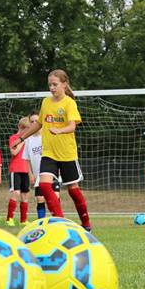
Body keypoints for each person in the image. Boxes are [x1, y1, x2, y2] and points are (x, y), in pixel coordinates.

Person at [16, 69, 92, 231]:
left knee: (73, 190)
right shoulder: (46, 102)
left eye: (55, 84)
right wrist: (22, 138)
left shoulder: (69, 103)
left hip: (66, 154)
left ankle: (86, 223)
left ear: (64, 85)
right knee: (44, 185)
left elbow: (72, 125)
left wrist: (60, 130)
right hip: (49, 153)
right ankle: (60, 220)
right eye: (49, 84)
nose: (52, 87)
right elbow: (38, 124)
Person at [22, 112, 51, 218]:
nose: (34, 123)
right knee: (40, 199)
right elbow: (27, 159)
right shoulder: (28, 140)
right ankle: (41, 222)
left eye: (36, 121)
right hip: (38, 175)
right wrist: (30, 174)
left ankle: (57, 221)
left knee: (54, 198)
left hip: (51, 173)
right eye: (32, 121)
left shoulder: (48, 135)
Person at [6, 118, 34, 226]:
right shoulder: (13, 138)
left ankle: (23, 220)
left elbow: (29, 158)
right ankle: (9, 219)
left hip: (25, 170)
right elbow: (14, 152)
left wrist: (31, 173)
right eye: (26, 129)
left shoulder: (29, 140)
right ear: (20, 127)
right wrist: (22, 142)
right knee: (16, 193)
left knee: (25, 195)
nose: (28, 132)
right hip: (15, 169)